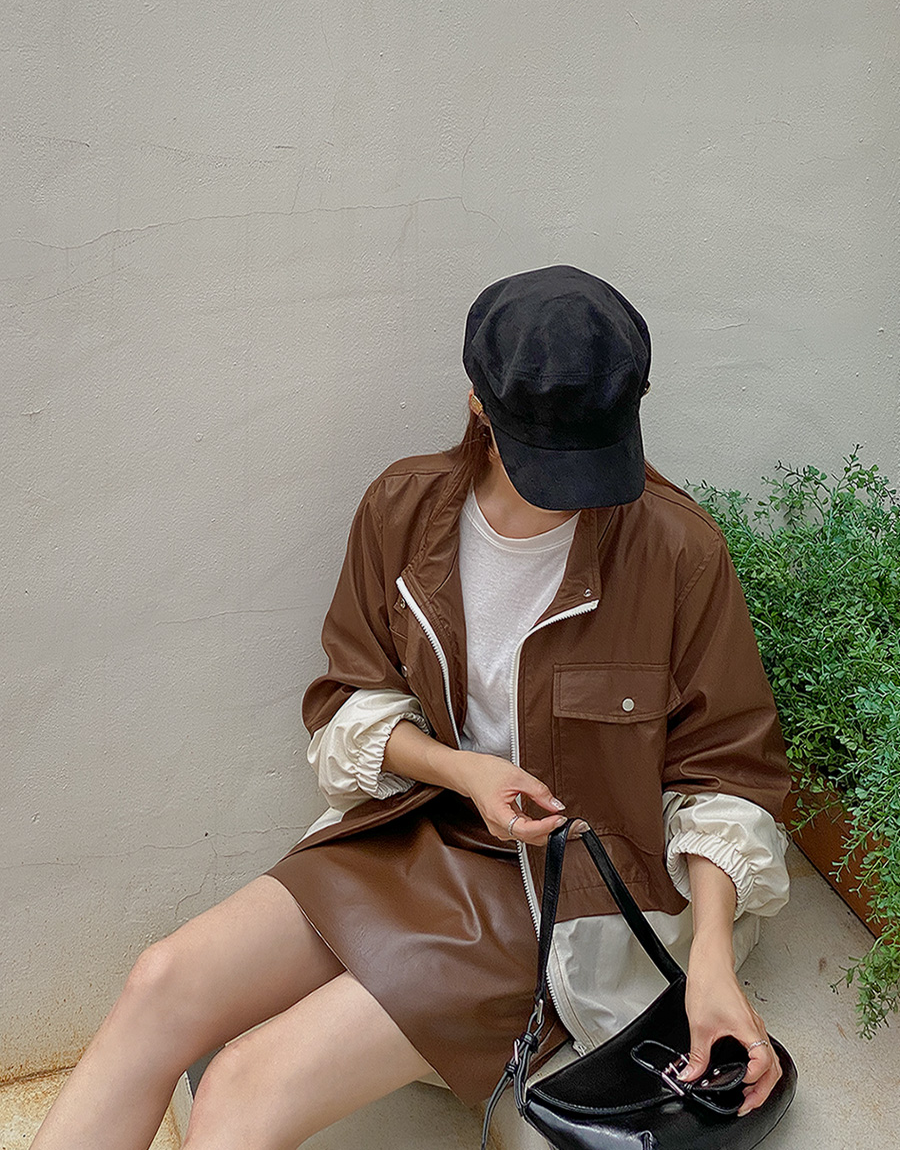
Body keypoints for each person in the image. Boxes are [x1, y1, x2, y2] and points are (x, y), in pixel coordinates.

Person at [30, 265, 791, 1150]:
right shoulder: (405, 508)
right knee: (160, 981)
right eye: (549, 457)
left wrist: (709, 958)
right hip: (415, 829)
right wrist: (460, 769)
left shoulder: (675, 549)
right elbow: (347, 703)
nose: (578, 489)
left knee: (242, 1084)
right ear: (479, 406)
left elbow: (728, 774)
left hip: (557, 893)